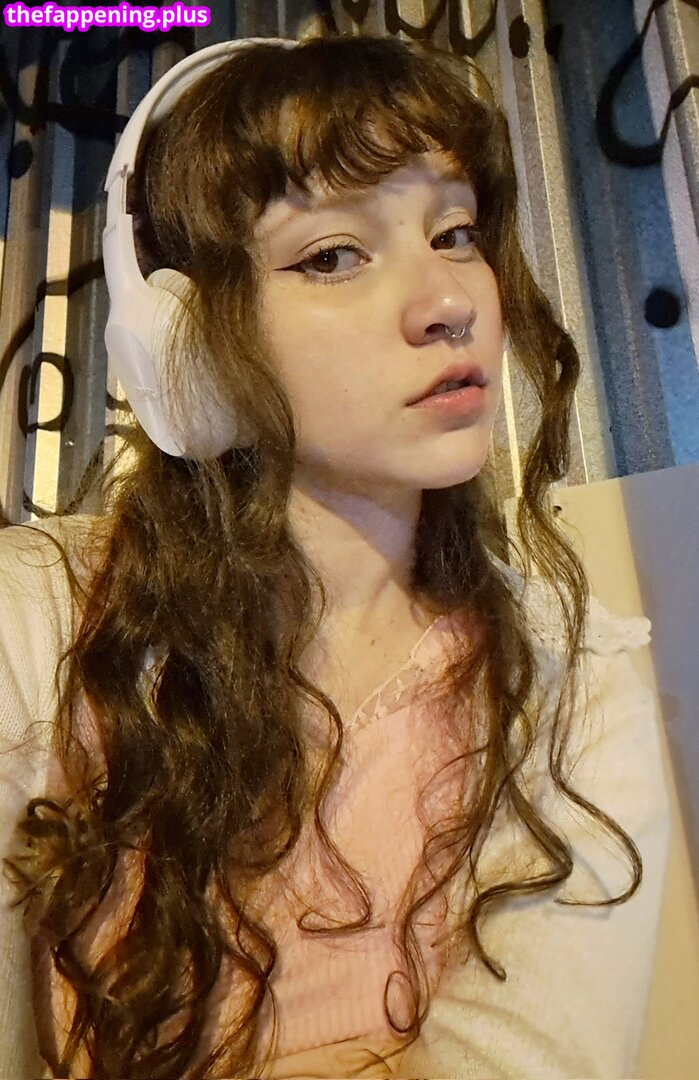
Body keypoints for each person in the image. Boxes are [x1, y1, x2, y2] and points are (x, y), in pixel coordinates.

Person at [0, 33, 671, 1080]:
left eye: (455, 232)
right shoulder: (35, 618)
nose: (449, 301)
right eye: (331, 255)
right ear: (182, 337)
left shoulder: (569, 684)